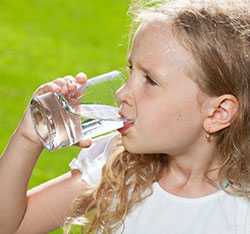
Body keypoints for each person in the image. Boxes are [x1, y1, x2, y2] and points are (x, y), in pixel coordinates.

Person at [1, 0, 250, 233]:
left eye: (150, 81)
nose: (122, 93)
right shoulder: (119, 168)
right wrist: (28, 137)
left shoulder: (240, 214)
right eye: (131, 69)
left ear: (218, 112)